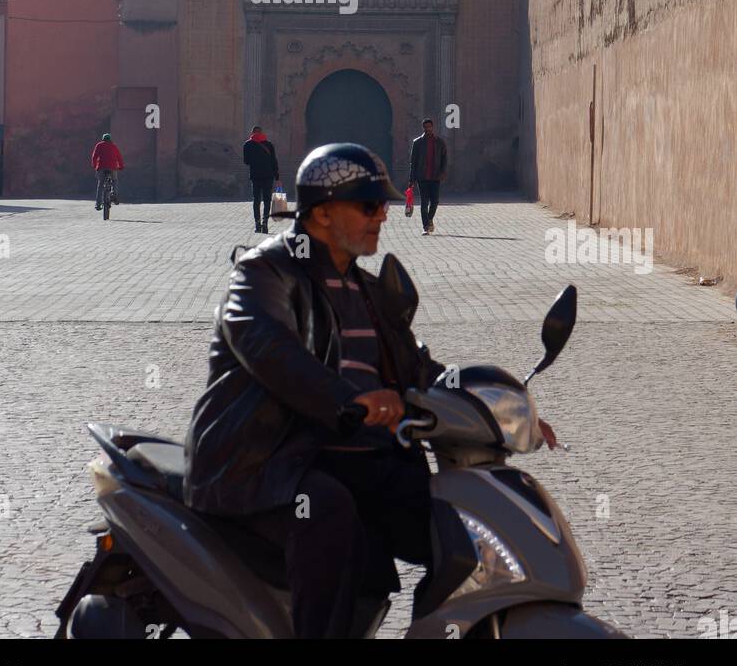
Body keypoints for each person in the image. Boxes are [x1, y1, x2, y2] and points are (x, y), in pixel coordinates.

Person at [183, 142, 560, 639]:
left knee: (459, 524)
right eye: (368, 205)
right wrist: (346, 399)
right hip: (269, 463)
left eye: (383, 204)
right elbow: (268, 347)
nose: (383, 214)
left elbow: (417, 367)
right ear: (320, 213)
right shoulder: (264, 271)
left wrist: (498, 409)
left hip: (361, 460)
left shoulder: (364, 288)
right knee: (327, 512)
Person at [408, 117, 448, 236]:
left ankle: (430, 219)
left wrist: (442, 171)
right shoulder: (417, 143)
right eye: (425, 127)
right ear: (423, 128)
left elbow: (444, 159)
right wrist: (412, 179)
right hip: (422, 177)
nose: (428, 129)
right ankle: (425, 226)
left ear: (432, 127)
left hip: (435, 177)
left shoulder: (440, 142)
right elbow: (413, 162)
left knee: (435, 201)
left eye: (429, 127)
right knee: (424, 202)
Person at [242, 125, 279, 233]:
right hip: (268, 176)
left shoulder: (247, 145)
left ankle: (258, 225)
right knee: (267, 200)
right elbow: (274, 161)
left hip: (255, 176)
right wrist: (277, 176)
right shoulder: (269, 144)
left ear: (252, 133)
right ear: (262, 133)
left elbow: (246, 161)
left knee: (256, 200)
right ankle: (265, 224)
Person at [91, 132, 124, 210]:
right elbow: (119, 157)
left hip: (101, 167)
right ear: (110, 139)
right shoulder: (113, 146)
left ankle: (98, 205)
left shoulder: (99, 145)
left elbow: (94, 156)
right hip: (112, 167)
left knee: (100, 185)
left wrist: (95, 166)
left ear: (103, 139)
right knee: (114, 181)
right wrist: (121, 166)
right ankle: (114, 194)